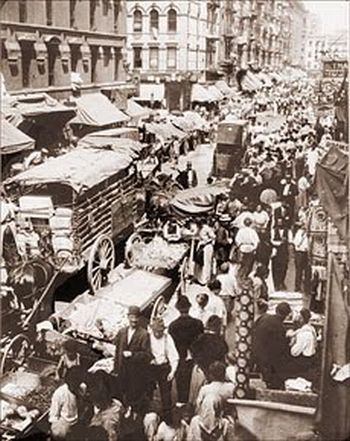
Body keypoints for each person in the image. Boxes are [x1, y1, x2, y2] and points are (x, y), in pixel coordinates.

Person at [113, 305, 152, 414]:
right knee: (121, 393)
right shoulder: (122, 332)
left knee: (134, 397)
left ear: (139, 319)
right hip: (122, 370)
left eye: (136, 317)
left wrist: (133, 355)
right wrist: (116, 368)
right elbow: (117, 351)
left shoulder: (144, 334)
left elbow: (147, 355)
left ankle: (134, 415)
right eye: (132, 317)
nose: (134, 320)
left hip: (135, 372)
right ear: (128, 317)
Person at [169, 296, 204, 403]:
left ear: (177, 308)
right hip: (195, 358)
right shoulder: (198, 324)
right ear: (189, 307)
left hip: (180, 357)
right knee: (195, 384)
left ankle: (182, 403)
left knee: (182, 383)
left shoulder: (173, 326)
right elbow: (200, 342)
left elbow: (172, 345)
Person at [251, 301, 292, 389]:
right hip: (266, 359)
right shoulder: (280, 328)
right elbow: (280, 349)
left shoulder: (263, 317)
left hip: (254, 352)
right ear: (286, 315)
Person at [189, 315, 228, 403]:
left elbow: (192, 349)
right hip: (216, 371)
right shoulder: (220, 340)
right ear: (218, 327)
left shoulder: (201, 338)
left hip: (201, 368)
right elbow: (225, 352)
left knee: (198, 393)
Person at [149, 318, 179, 422]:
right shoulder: (148, 337)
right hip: (151, 368)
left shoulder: (167, 338)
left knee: (166, 395)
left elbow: (174, 356)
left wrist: (172, 371)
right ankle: (150, 418)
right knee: (149, 393)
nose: (158, 333)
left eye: (160, 331)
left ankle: (167, 420)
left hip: (164, 368)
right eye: (156, 331)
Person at [49, 367, 83, 441]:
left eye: (77, 384)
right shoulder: (60, 393)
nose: (74, 386)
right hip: (65, 424)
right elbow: (53, 416)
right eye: (72, 383)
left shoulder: (82, 389)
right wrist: (61, 430)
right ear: (67, 381)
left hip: (79, 422)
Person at [288, 308, 317, 379]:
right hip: (311, 359)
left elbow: (294, 352)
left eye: (299, 317)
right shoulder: (312, 329)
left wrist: (292, 341)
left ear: (302, 319)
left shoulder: (303, 334)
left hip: (304, 363)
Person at [271, 218, 290, 291]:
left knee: (284, 267)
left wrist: (286, 241)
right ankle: (276, 283)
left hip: (284, 251)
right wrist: (279, 243)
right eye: (278, 222)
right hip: (276, 251)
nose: (280, 224)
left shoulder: (287, 231)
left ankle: (282, 281)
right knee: (276, 267)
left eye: (281, 222)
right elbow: (271, 241)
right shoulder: (273, 231)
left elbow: (290, 241)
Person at [194, 220, 216, 285]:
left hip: (207, 247)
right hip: (201, 246)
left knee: (206, 263)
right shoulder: (199, 228)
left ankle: (205, 280)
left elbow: (213, 237)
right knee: (199, 262)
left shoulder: (207, 228)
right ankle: (199, 278)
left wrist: (207, 241)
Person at [292, 223, 310, 292]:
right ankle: (297, 287)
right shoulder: (299, 233)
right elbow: (296, 243)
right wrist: (302, 236)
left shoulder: (308, 234)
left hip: (306, 253)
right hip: (299, 253)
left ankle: (306, 287)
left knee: (306, 271)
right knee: (299, 270)